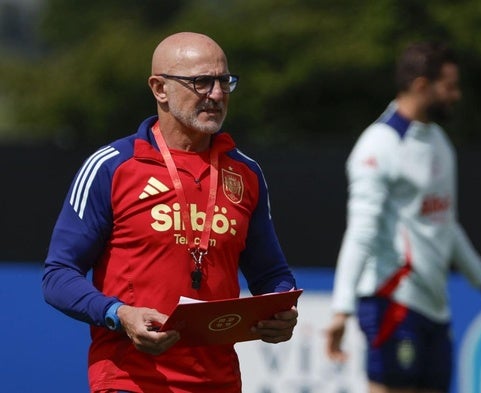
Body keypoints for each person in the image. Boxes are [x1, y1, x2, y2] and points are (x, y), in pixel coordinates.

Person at [42, 32, 298, 393]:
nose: (217, 94)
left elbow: (271, 274)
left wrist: (281, 312)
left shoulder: (246, 173)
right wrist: (120, 314)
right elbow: (57, 276)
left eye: (225, 81)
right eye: (201, 82)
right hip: (130, 380)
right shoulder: (112, 166)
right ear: (159, 88)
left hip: (218, 382)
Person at [325, 42, 481, 393]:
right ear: (421, 85)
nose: (456, 95)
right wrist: (342, 308)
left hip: (436, 309)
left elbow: (445, 222)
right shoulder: (378, 145)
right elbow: (361, 232)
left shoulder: (440, 143)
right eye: (448, 86)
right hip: (392, 303)